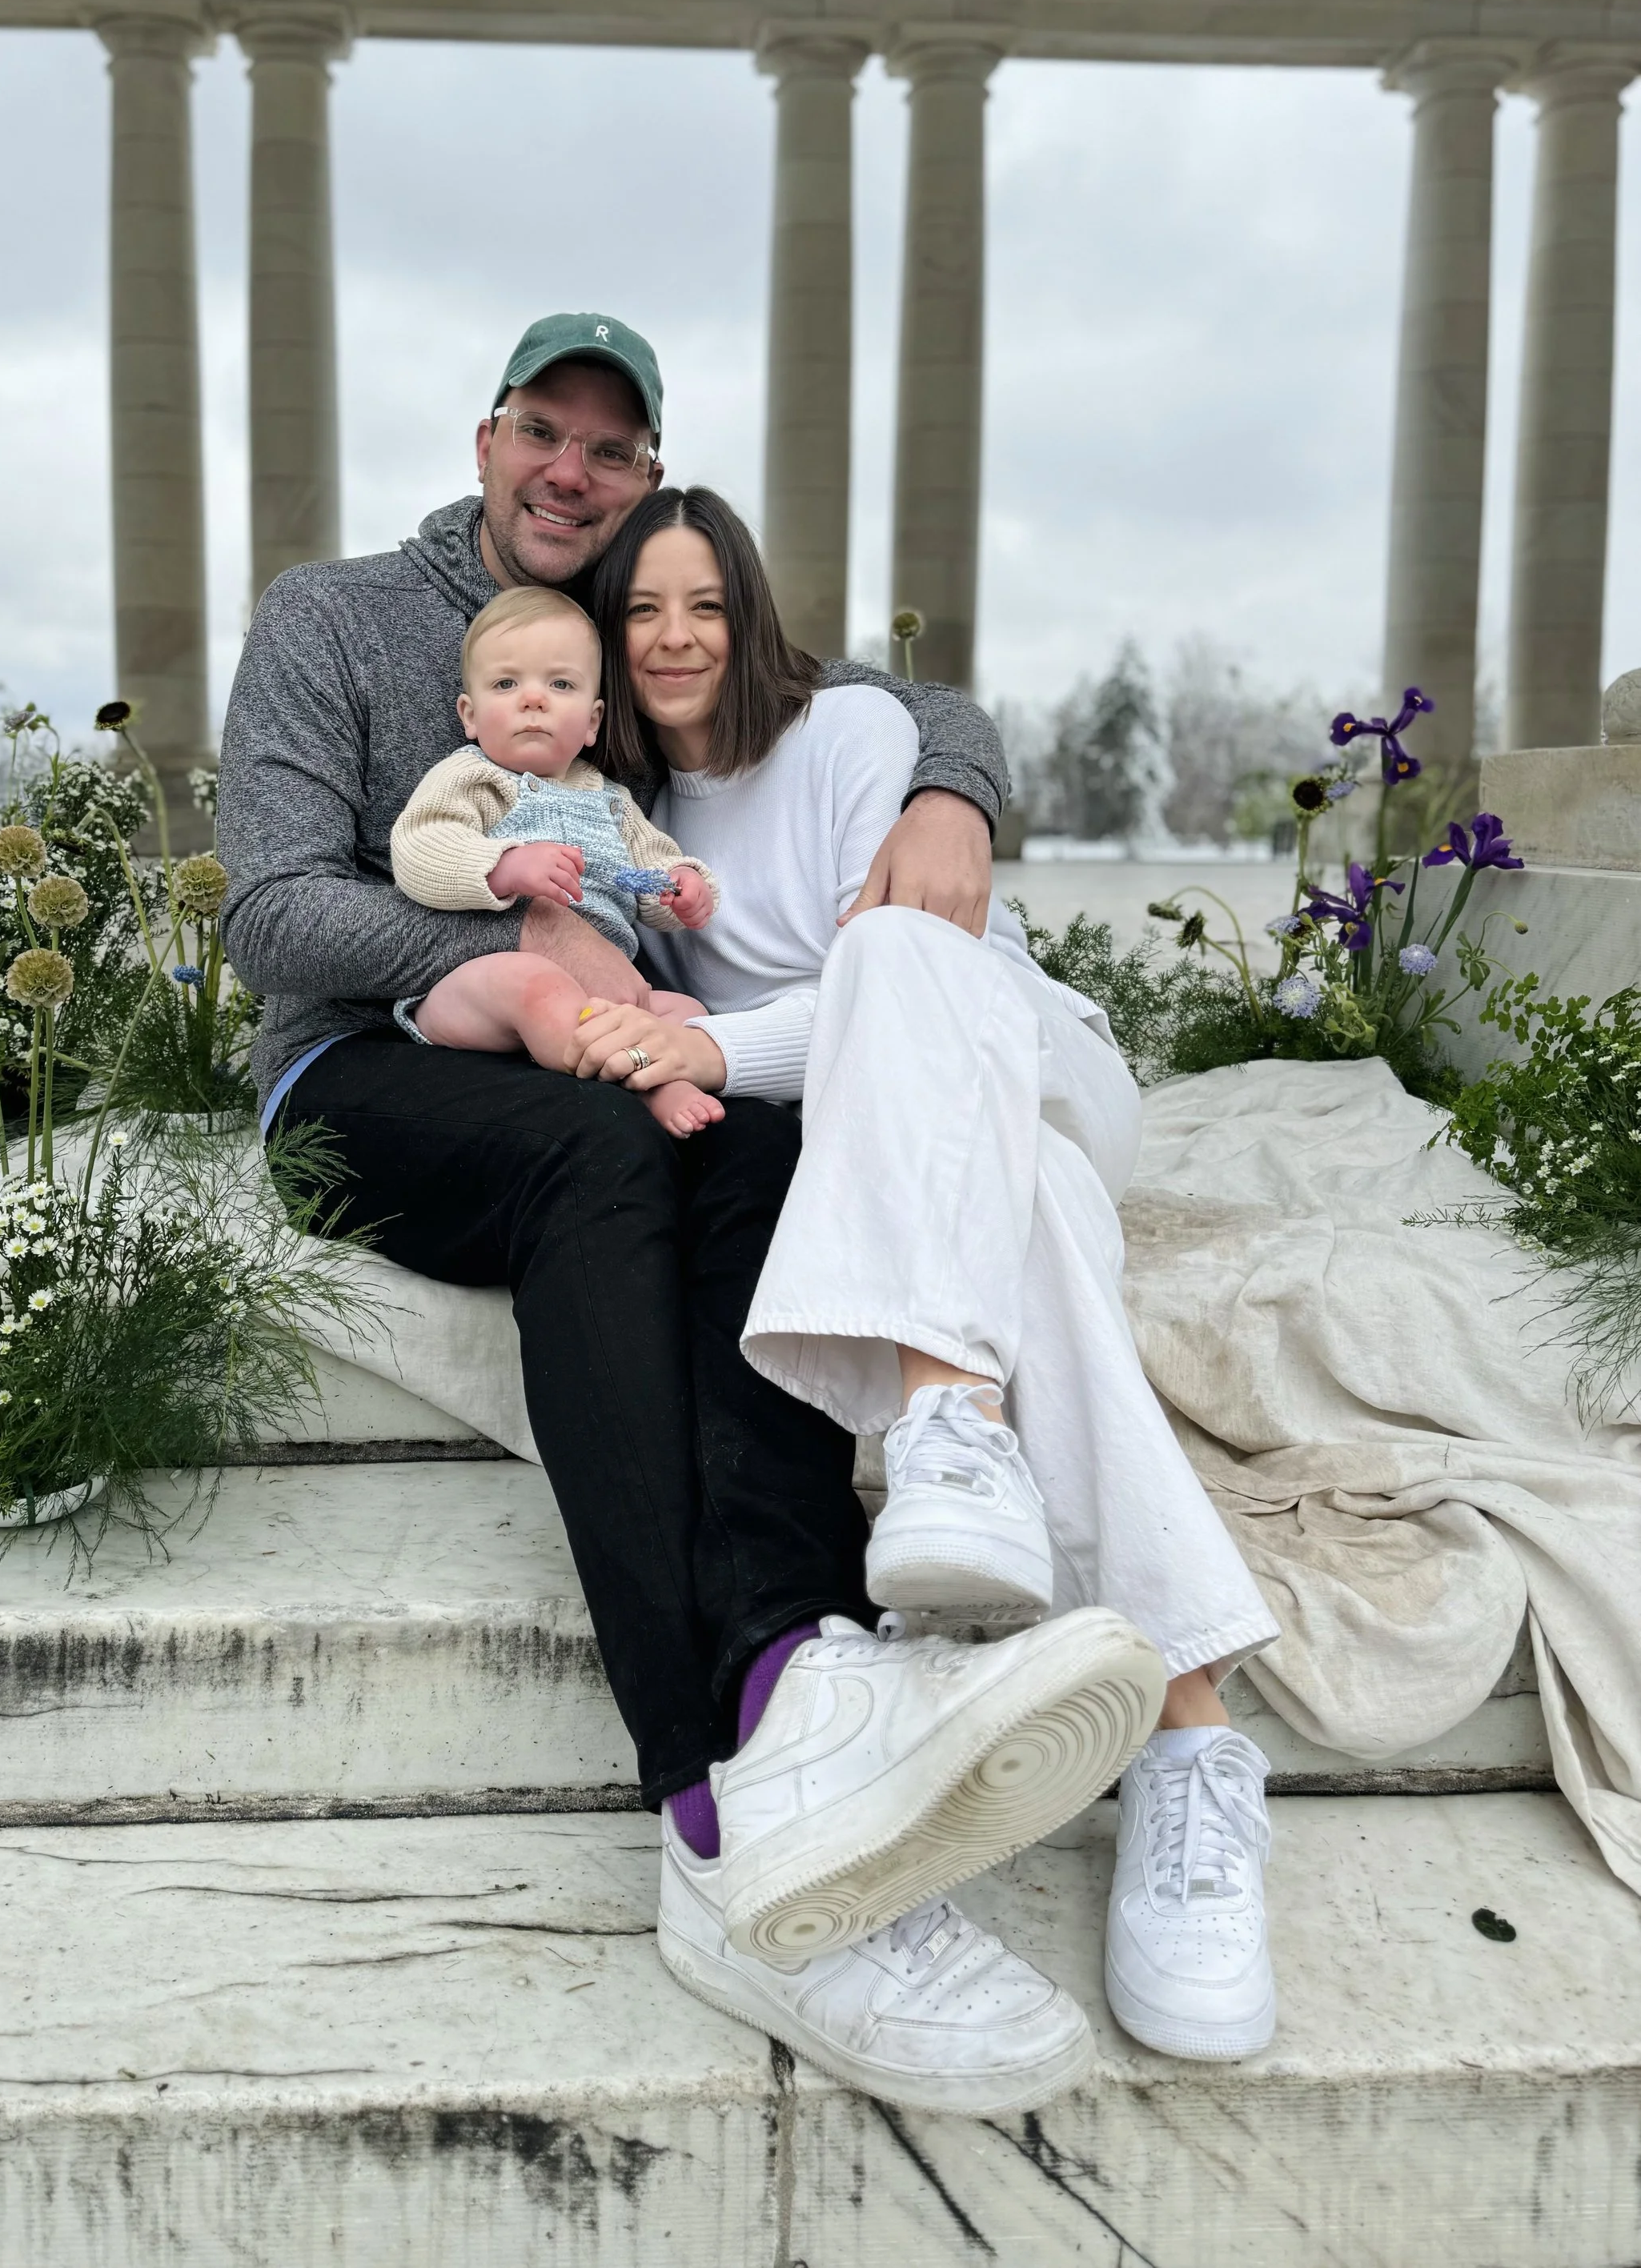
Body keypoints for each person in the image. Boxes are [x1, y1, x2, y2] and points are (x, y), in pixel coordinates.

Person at [219, 311, 1150, 2121]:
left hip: (626, 1055)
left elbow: (864, 689)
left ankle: (809, 1671)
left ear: (648, 481)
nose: (573, 470)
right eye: (542, 433)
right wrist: (527, 961)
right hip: (365, 1073)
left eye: (613, 448)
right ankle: (718, 1807)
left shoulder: (645, 625)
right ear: (486, 441)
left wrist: (955, 783)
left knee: (761, 1148)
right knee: (607, 1155)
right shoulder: (330, 619)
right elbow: (269, 912)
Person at [573, 484, 1286, 2072]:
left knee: (895, 957)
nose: (675, 637)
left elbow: (895, 975)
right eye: (640, 612)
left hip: (1008, 1057)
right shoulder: (627, 822)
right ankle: (1188, 1739)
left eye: (703, 602)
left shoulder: (842, 737)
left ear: (749, 613)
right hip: (884, 1146)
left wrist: (693, 1039)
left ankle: (950, 1420)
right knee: (1027, 1244)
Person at [388, 583, 726, 1139]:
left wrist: (678, 885)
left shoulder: (611, 800)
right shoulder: (473, 775)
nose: (533, 698)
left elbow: (636, 873)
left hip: (599, 992)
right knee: (537, 984)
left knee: (687, 1010)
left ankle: (639, 1060)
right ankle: (640, 1083)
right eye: (506, 683)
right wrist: (502, 866)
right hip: (482, 984)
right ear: (469, 715)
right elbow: (419, 845)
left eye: (560, 684)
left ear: (592, 722)